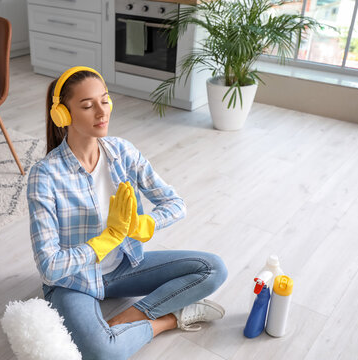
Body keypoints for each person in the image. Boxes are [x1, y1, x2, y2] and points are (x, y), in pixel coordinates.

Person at [26, 66, 228, 360]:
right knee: (100, 353)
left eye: (104, 100)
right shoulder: (45, 175)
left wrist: (144, 225)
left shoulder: (122, 152)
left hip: (124, 266)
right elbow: (49, 267)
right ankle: (168, 320)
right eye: (87, 105)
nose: (101, 112)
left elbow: (175, 203)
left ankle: (123, 321)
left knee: (214, 268)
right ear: (63, 115)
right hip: (74, 281)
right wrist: (104, 240)